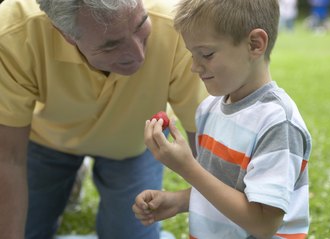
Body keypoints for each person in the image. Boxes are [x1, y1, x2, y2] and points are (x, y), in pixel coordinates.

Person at [0, 0, 207, 238]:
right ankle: (70, 176)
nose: (138, 54)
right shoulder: (12, 32)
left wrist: (210, 204)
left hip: (133, 144)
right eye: (111, 46)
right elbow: (8, 157)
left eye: (140, 25)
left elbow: (204, 138)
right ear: (64, 33)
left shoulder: (178, 23)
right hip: (48, 140)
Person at [133, 0, 312, 238]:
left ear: (255, 44)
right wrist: (178, 201)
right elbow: (226, 189)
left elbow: (264, 224)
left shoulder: (278, 123)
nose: (194, 67)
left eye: (206, 54)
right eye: (191, 54)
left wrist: (188, 168)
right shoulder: (208, 109)